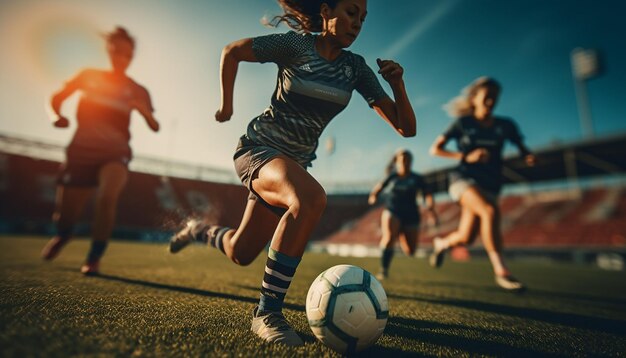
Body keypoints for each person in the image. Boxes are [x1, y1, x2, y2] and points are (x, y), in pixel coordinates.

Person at [169, 0, 416, 346]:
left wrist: (398, 85)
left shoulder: (356, 69)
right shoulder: (295, 45)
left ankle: (198, 230)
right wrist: (227, 104)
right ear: (326, 10)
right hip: (258, 150)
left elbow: (407, 129)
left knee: (241, 252)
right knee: (311, 198)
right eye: (350, 12)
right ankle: (266, 313)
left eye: (362, 17)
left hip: (290, 168)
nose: (357, 22)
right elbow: (232, 52)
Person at [41, 27, 160, 275]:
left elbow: (155, 126)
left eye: (127, 54)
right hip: (80, 151)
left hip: (115, 153)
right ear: (109, 51)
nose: (121, 58)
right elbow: (56, 97)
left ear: (132, 56)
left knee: (107, 196)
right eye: (117, 52)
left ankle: (94, 257)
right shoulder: (88, 76)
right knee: (65, 215)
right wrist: (56, 116)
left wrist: (144, 111)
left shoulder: (138, 89)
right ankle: (64, 234)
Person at [428, 76, 535, 292]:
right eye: (487, 97)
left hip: (491, 184)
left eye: (495, 98)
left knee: (466, 238)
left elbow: (522, 148)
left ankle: (442, 244)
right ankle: (502, 272)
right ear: (475, 98)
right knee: (489, 211)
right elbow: (435, 149)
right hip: (463, 179)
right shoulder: (463, 123)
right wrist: (466, 157)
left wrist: (528, 156)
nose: (491, 101)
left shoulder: (506, 125)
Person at [368, 149, 437, 280]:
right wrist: (373, 196)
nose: (405, 162)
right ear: (398, 162)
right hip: (393, 210)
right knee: (388, 237)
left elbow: (427, 194)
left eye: (408, 159)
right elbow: (378, 188)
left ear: (411, 162)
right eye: (402, 159)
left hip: (411, 214)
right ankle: (384, 270)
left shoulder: (417, 178)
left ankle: (400, 232)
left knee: (411, 251)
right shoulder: (392, 176)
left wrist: (430, 204)